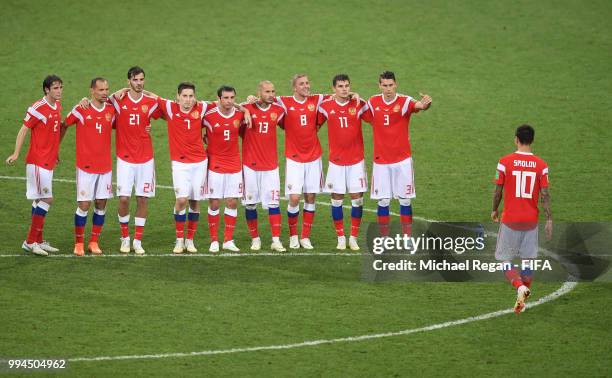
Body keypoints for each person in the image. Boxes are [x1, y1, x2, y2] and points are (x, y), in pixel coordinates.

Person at [492, 124, 552, 314]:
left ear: (516, 139)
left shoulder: (504, 162)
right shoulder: (542, 166)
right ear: (532, 140)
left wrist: (494, 210)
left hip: (510, 219)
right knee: (527, 260)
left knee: (504, 259)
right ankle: (522, 298)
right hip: (530, 220)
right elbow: (545, 195)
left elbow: (498, 191)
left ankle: (519, 287)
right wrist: (549, 219)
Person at [367, 71, 432, 239]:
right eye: (384, 85)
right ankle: (384, 238)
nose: (388, 89)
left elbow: (419, 106)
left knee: (405, 200)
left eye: (390, 85)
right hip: (381, 162)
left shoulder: (404, 101)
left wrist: (426, 104)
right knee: (383, 201)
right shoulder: (373, 102)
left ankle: (407, 237)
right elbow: (357, 110)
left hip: (402, 161)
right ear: (379, 86)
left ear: (395, 84)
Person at [5, 75, 64, 256]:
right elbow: (24, 129)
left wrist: (56, 153)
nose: (59, 90)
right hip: (37, 161)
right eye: (55, 88)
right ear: (47, 89)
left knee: (39, 200)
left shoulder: (57, 106)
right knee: (47, 199)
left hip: (48, 160)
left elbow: (52, 133)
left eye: (61, 87)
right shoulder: (38, 108)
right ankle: (30, 241)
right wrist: (16, 153)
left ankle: (38, 240)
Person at [110, 66, 162, 255]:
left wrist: (148, 92)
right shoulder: (118, 101)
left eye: (142, 80)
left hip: (146, 159)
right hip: (124, 159)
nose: (139, 83)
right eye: (136, 80)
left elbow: (167, 107)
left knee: (142, 199)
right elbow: (99, 102)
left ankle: (137, 240)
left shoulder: (150, 102)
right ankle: (125, 238)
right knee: (123, 198)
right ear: (128, 81)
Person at [155, 83, 211, 254]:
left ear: (195, 97)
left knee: (195, 201)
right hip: (180, 164)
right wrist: (124, 91)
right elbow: (148, 95)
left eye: (191, 96)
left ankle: (190, 240)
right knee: (181, 200)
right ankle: (179, 240)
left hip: (200, 162)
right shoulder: (170, 108)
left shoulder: (202, 108)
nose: (188, 100)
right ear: (177, 96)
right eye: (184, 96)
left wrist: (245, 108)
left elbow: (225, 104)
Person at [63, 77, 117, 256]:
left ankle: (94, 241)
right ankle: (79, 243)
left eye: (107, 90)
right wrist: (55, 148)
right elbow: (64, 124)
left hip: (105, 167)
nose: (105, 93)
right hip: (85, 166)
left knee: (101, 203)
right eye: (101, 90)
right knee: (84, 204)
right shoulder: (81, 109)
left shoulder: (111, 109)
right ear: (92, 91)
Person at [318, 74, 370, 250]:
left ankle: (353, 237)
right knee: (337, 198)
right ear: (333, 88)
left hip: (356, 161)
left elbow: (374, 119)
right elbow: (314, 125)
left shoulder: (358, 104)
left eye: (347, 85)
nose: (344, 89)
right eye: (340, 86)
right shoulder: (326, 106)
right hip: (336, 161)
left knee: (357, 199)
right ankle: (340, 237)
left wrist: (357, 96)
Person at [276, 74, 326, 249]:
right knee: (295, 198)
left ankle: (305, 236)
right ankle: (293, 236)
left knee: (311, 197)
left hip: (314, 157)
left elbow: (338, 97)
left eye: (307, 83)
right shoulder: (284, 102)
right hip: (294, 158)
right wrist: (252, 99)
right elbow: (265, 99)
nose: (306, 86)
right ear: (294, 88)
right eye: (301, 84)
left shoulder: (317, 99)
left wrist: (353, 95)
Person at [241, 81, 286, 252]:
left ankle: (276, 240)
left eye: (273, 91)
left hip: (271, 166)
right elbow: (227, 106)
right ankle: (255, 239)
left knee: (274, 203)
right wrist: (245, 106)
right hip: (250, 166)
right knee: (251, 204)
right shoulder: (247, 107)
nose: (271, 94)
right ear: (259, 92)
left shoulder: (278, 110)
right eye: (267, 91)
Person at [202, 86, 246, 252]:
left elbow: (250, 108)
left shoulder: (240, 114)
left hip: (234, 163)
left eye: (232, 98)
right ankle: (214, 240)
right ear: (219, 99)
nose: (229, 101)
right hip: (215, 164)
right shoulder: (209, 116)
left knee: (232, 201)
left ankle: (228, 240)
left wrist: (245, 110)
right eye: (226, 98)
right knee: (214, 203)